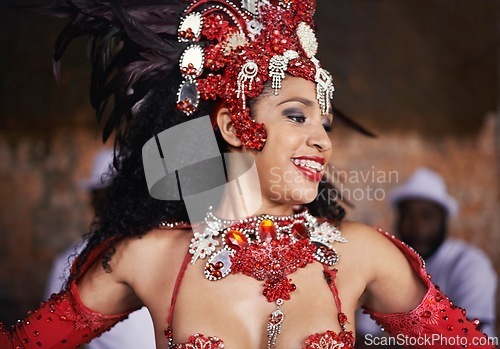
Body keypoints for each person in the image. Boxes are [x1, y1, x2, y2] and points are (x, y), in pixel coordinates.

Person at [1, 1, 496, 348]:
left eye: (324, 123)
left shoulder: (360, 253)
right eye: (297, 116)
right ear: (233, 126)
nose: (323, 140)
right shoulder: (148, 259)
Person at [356, 167, 497, 341]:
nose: (417, 226)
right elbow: (365, 335)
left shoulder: (471, 264)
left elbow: (469, 339)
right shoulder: (389, 263)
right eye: (408, 216)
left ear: (444, 220)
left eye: (427, 216)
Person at [45, 149, 156, 349]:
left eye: (122, 194)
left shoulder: (162, 252)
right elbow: (50, 339)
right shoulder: (69, 264)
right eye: (108, 195)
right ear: (93, 201)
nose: (116, 205)